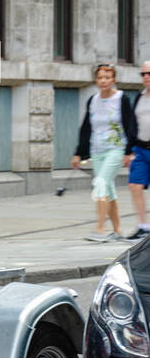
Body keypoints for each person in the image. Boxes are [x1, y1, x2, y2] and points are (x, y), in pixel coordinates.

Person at [72, 62, 136, 241]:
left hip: (116, 149)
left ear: (113, 79)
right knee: (108, 188)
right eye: (100, 77)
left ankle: (100, 229)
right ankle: (118, 231)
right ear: (96, 80)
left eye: (107, 77)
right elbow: (86, 128)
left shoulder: (121, 99)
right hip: (97, 150)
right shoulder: (92, 100)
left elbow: (130, 125)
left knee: (100, 182)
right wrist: (79, 153)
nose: (103, 81)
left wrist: (129, 152)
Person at [128, 60, 150, 236]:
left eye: (149, 73)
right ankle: (143, 227)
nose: (146, 77)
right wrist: (129, 150)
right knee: (135, 185)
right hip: (141, 149)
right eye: (143, 74)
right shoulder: (139, 97)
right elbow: (132, 124)